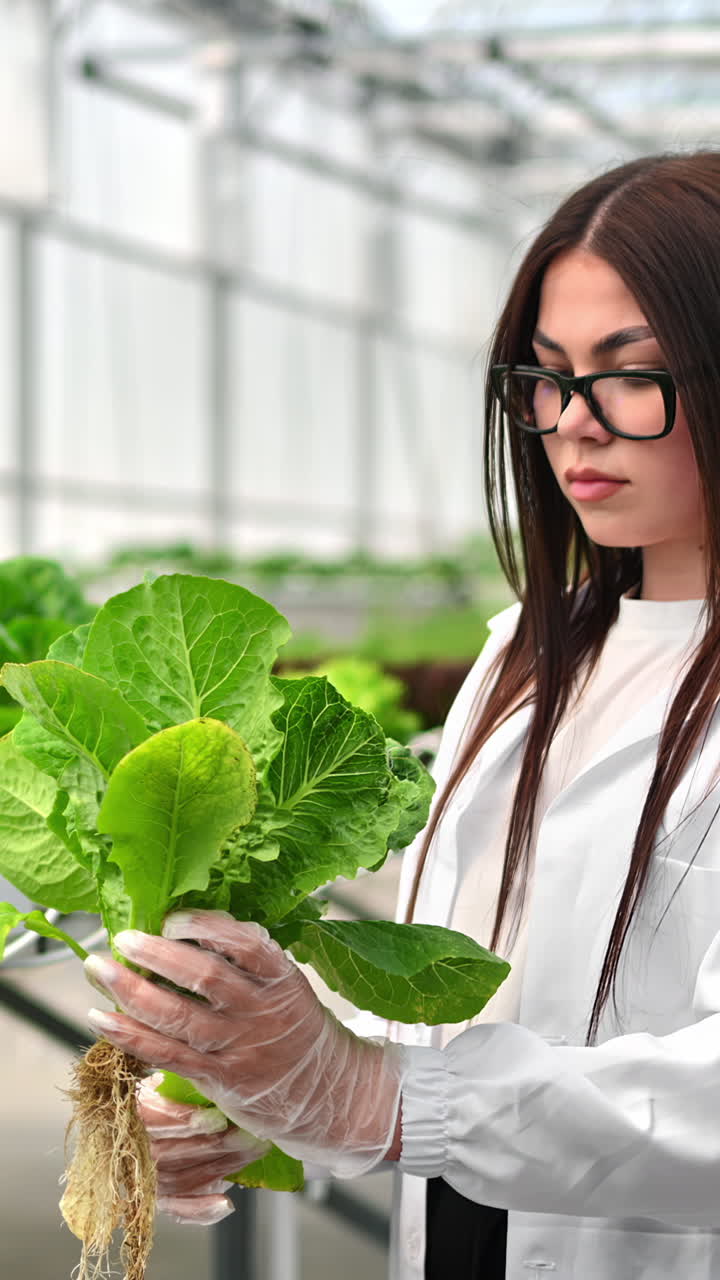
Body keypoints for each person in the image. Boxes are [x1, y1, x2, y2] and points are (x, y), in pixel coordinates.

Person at [83, 149, 720, 1280]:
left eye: (634, 373)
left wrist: (376, 1096)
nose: (570, 423)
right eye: (547, 374)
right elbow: (452, 1001)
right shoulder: (530, 649)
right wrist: (265, 1092)